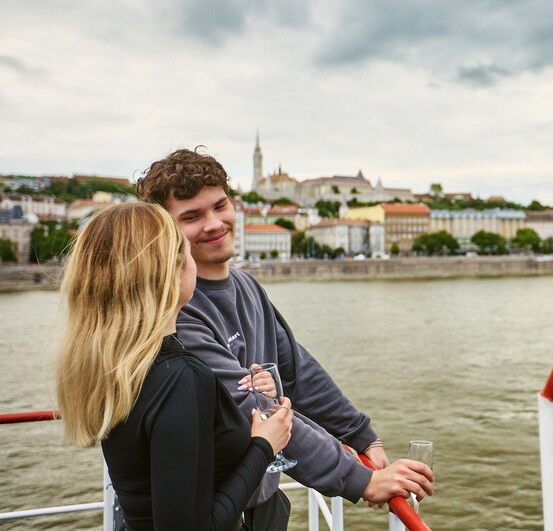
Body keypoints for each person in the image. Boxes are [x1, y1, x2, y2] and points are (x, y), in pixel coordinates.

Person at [136, 148, 434, 528]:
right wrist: (362, 481)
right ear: (165, 231)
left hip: (261, 500)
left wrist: (362, 437)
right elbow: (255, 410)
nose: (214, 224)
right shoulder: (177, 313)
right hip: (213, 511)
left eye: (220, 206)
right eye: (192, 217)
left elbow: (297, 372)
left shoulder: (246, 285)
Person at [55, 202, 294, 530]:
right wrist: (264, 446)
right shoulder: (182, 378)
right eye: (186, 252)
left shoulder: (118, 366)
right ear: (170, 272)